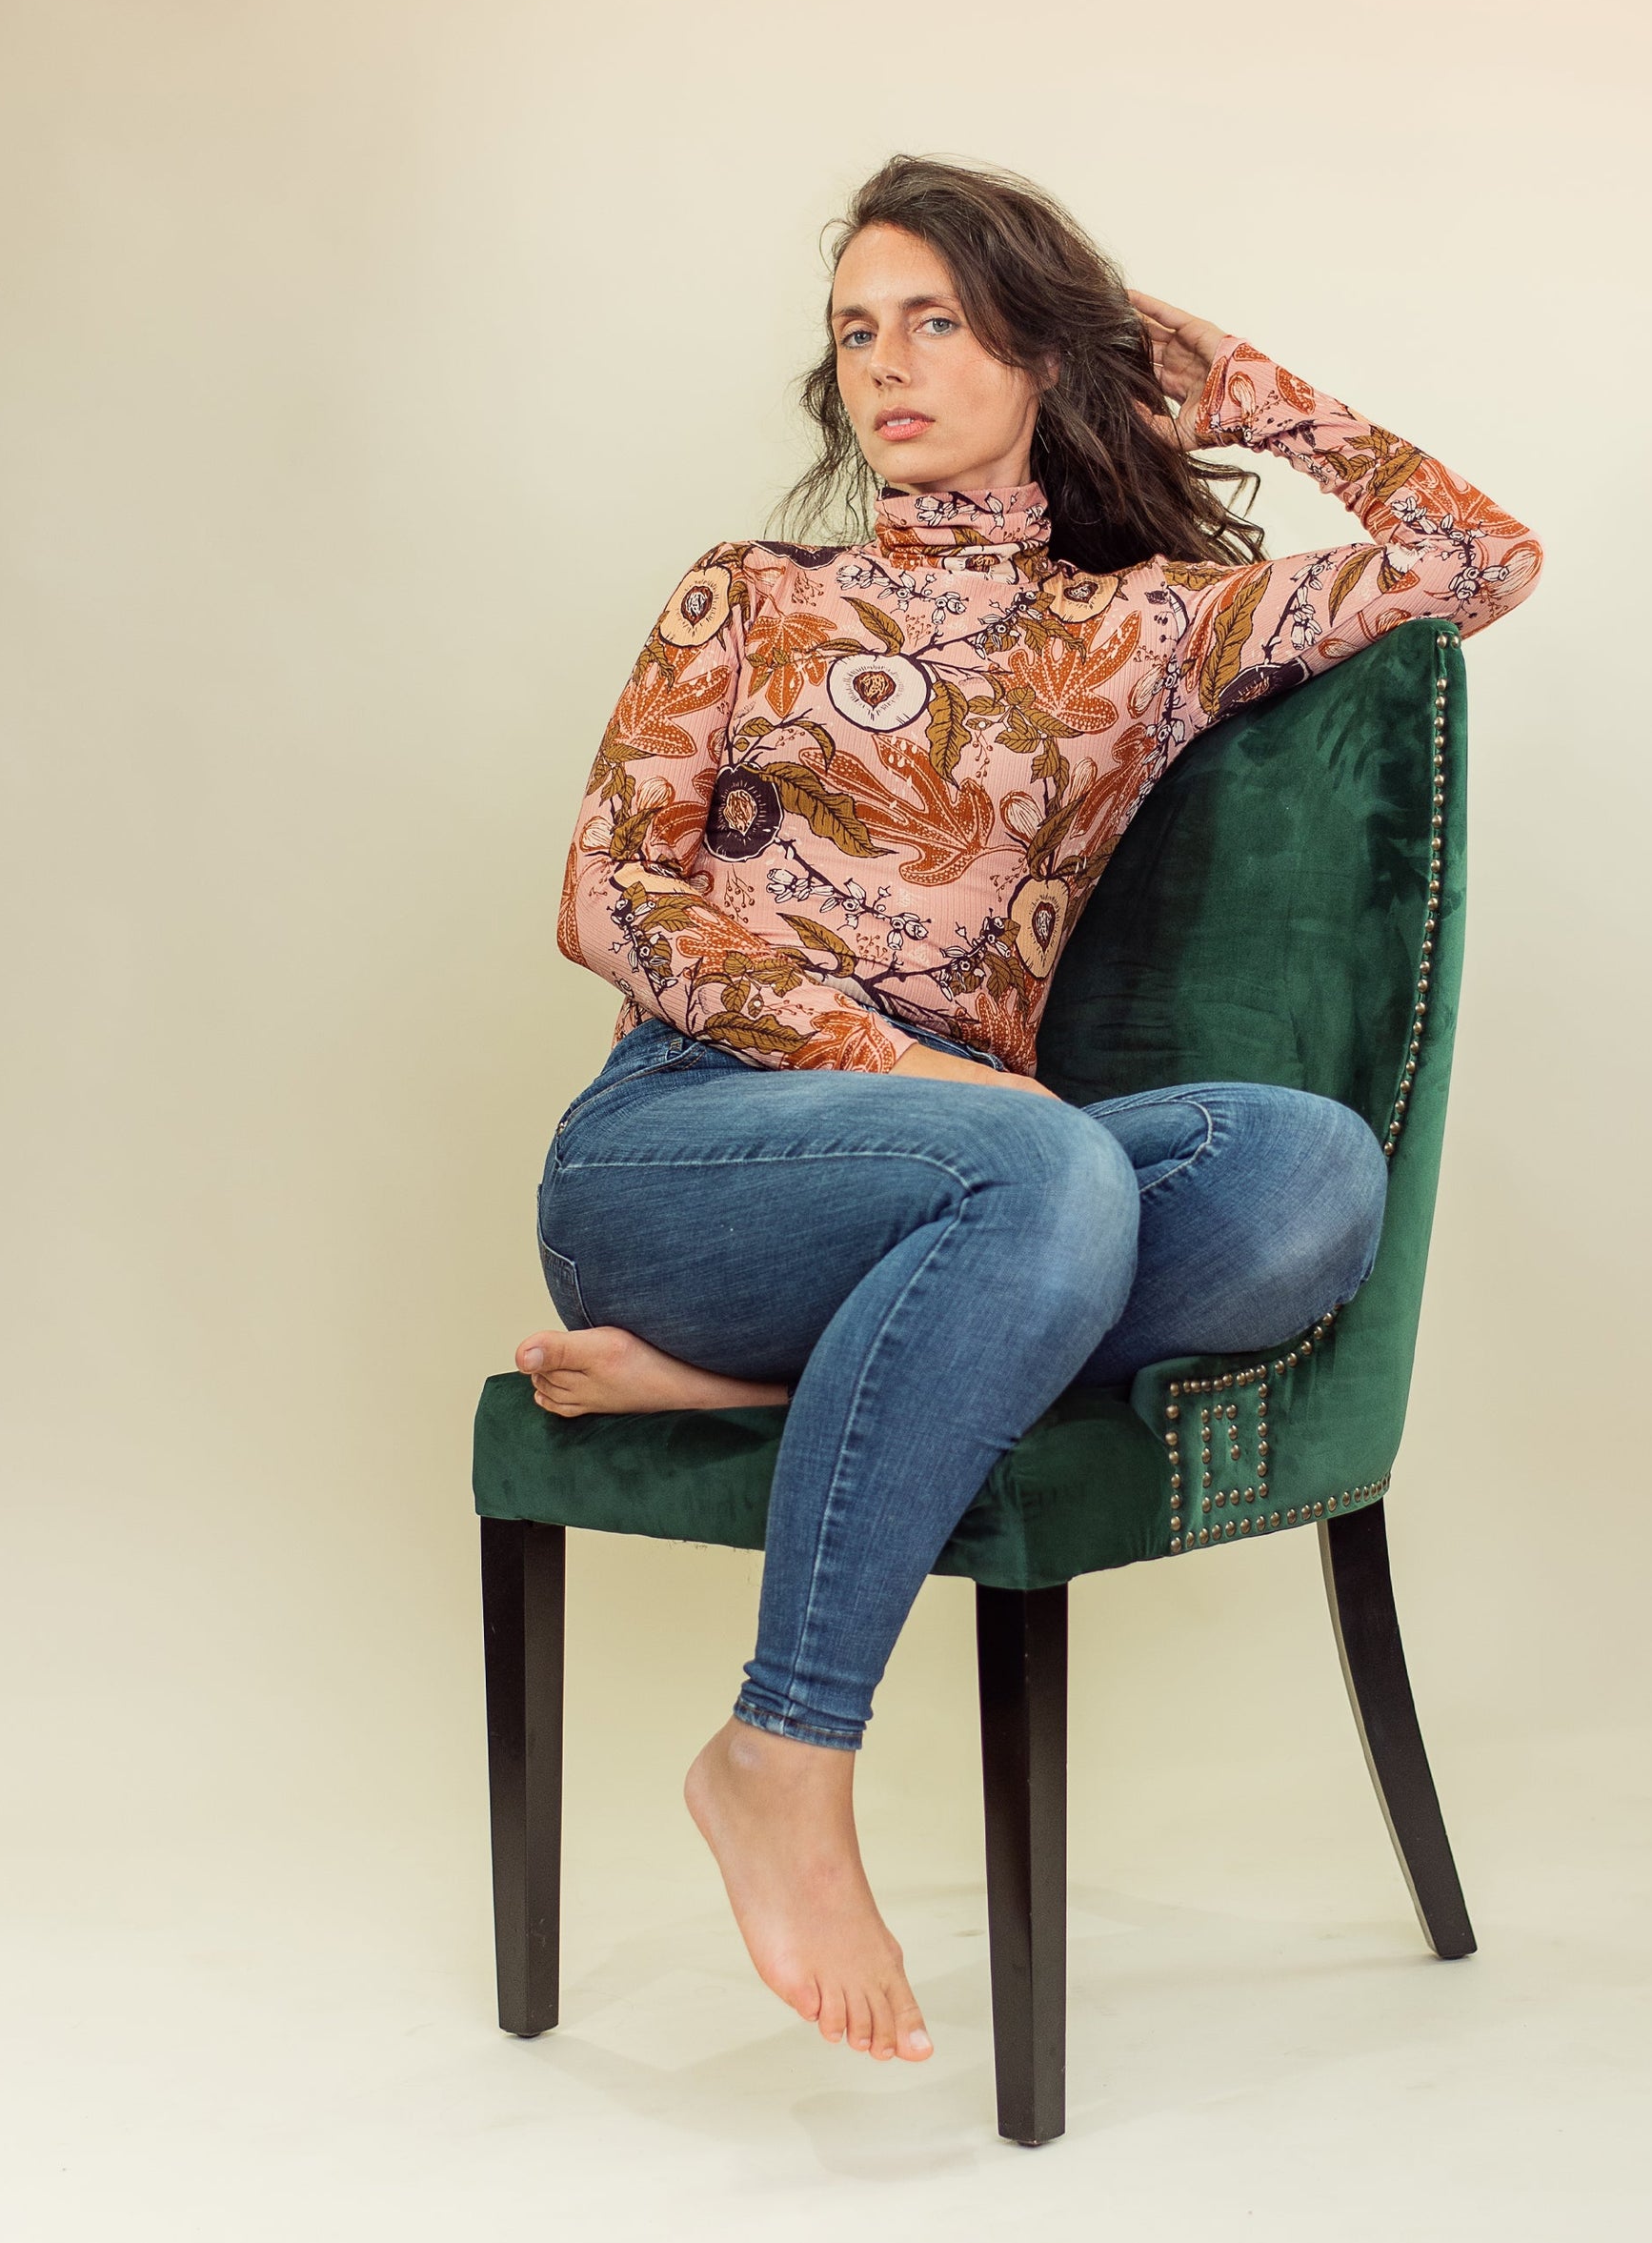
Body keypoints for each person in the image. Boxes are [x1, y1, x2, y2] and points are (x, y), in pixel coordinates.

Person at [514, 156, 1541, 2069]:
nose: (887, 364)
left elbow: (1480, 557)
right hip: (680, 1149)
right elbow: (606, 897)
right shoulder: (751, 595)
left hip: (987, 1178)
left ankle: (771, 1382)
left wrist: (1248, 390)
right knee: (1043, 1155)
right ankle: (780, 1748)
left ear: (1045, 354)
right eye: (856, 331)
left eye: (938, 320)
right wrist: (904, 1069)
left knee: (1308, 1171)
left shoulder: (1143, 631)